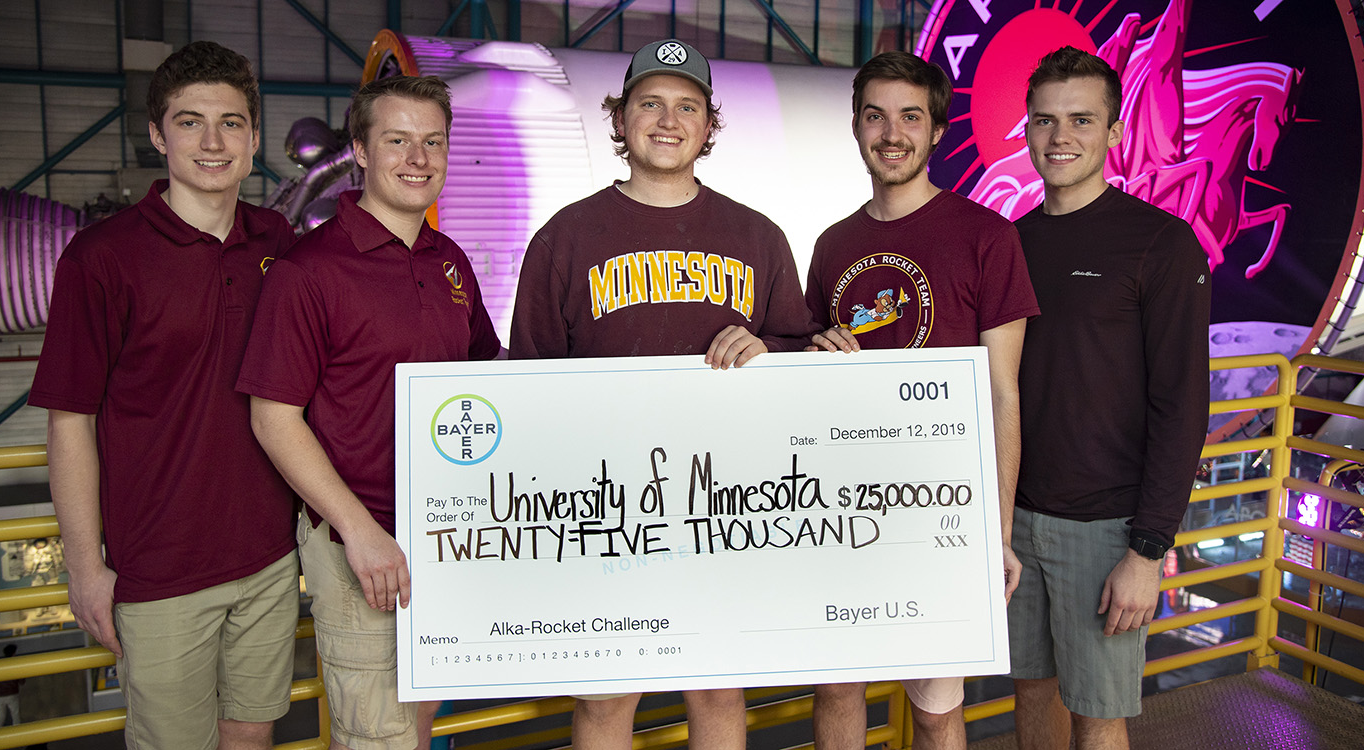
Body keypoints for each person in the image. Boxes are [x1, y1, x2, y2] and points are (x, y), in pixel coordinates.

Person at [508, 38, 816, 750]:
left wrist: (772, 350)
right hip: (605, 507)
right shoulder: (564, 238)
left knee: (716, 690)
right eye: (649, 103)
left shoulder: (758, 236)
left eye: (687, 105)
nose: (668, 119)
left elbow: (800, 361)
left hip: (724, 505)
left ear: (709, 126)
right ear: (619, 120)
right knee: (607, 698)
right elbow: (529, 384)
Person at [30, 40, 300, 750]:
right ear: (157, 134)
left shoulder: (278, 240)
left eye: (232, 122)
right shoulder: (101, 259)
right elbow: (70, 423)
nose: (213, 142)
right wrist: (85, 568)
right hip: (160, 572)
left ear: (253, 135)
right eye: (189, 122)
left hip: (271, 557)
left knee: (252, 734)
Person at [239, 74, 500, 750]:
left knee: (412, 723)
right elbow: (274, 418)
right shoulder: (310, 271)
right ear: (359, 149)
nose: (418, 158)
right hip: (362, 543)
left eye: (433, 142)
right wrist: (359, 531)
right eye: (398, 141)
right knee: (374, 735)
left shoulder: (449, 262)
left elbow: (485, 377)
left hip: (447, 535)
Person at [802, 50, 1039, 750]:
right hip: (843, 510)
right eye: (876, 116)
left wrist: (994, 533)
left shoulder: (986, 238)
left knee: (937, 711)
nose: (892, 133)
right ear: (855, 126)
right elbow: (809, 390)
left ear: (937, 130)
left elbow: (1002, 394)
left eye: (911, 116)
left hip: (943, 514)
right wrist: (819, 363)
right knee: (837, 689)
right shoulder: (832, 244)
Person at [1007, 46, 1211, 750]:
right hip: (1016, 522)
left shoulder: (1159, 244)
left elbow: (1183, 406)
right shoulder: (1012, 242)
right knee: (1030, 694)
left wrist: (1148, 550)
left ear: (1115, 133)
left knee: (1098, 713)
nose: (1060, 137)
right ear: (1027, 129)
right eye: (1044, 120)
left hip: (1107, 532)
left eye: (1081, 120)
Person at [0, 644, 26, 727]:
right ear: (14, 653)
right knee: (16, 718)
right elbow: (22, 681)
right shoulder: (15, 665)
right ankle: (17, 737)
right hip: (12, 694)